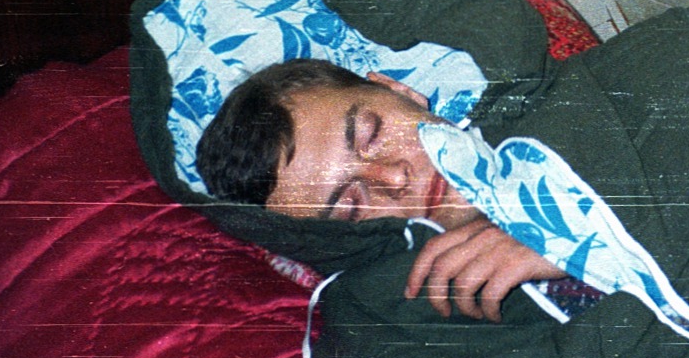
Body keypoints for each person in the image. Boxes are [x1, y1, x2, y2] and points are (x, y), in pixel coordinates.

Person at [198, 59, 568, 324]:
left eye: (372, 134)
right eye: (351, 205)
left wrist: (579, 236)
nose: (393, 179)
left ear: (398, 89)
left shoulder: (569, 102)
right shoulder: (400, 331)